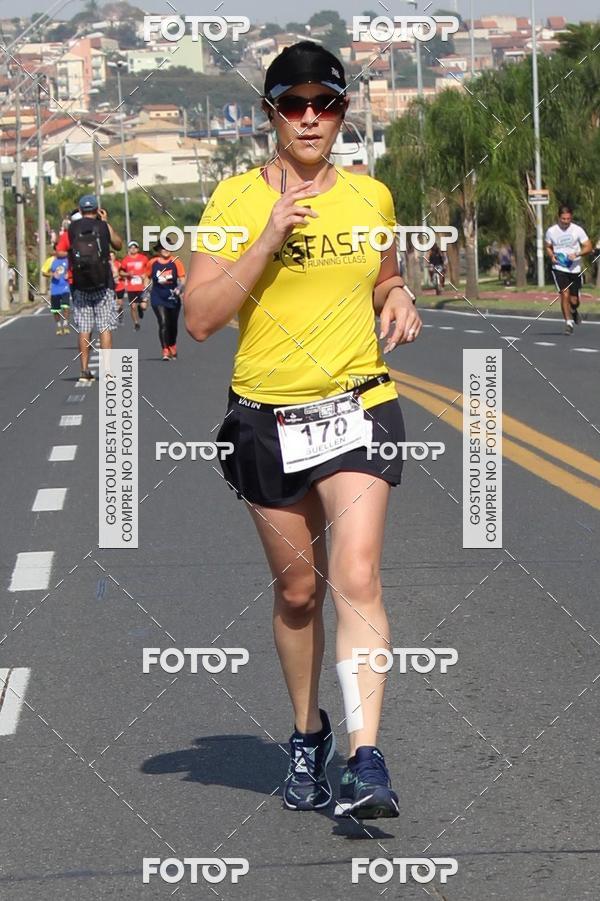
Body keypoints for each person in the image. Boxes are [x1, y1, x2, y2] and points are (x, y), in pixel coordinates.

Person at [184, 41, 422, 820]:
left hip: (357, 402)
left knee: (357, 576)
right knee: (297, 592)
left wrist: (397, 293)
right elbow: (201, 319)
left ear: (345, 113)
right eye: (294, 103)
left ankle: (366, 756)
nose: (311, 117)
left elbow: (384, 269)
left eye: (327, 104)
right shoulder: (231, 200)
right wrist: (268, 237)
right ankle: (305, 734)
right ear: (270, 114)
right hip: (266, 416)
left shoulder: (371, 198)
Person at [56, 195, 122, 381]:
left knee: (84, 328)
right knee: (105, 327)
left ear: (80, 209)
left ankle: (84, 370)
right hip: (103, 284)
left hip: (80, 284)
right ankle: (108, 370)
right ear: (97, 209)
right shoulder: (102, 227)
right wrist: (106, 222)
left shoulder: (72, 229)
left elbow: (60, 251)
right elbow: (118, 244)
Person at [545, 205, 592, 335]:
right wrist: (551, 256)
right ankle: (568, 323)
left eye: (568, 219)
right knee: (564, 294)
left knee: (574, 300)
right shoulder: (551, 231)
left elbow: (588, 246)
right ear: (559, 217)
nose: (566, 221)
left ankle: (573, 310)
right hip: (559, 268)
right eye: (563, 219)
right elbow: (548, 247)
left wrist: (577, 254)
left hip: (575, 268)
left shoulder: (577, 230)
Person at [146, 241, 185, 360]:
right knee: (163, 322)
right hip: (157, 296)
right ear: (158, 250)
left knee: (172, 324)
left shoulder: (176, 262)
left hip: (173, 297)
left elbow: (183, 278)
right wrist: (146, 291)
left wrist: (179, 288)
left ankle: (172, 344)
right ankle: (165, 350)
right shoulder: (152, 263)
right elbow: (146, 277)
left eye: (168, 247)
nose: (165, 250)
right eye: (163, 248)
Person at [120, 240, 149, 330]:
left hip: (142, 287)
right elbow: (121, 272)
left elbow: (149, 269)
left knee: (144, 306)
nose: (133, 249)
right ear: (129, 249)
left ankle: (141, 308)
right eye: (131, 247)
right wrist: (128, 274)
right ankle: (136, 323)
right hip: (131, 287)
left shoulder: (144, 258)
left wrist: (145, 276)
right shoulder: (125, 260)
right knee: (133, 306)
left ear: (138, 249)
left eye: (135, 247)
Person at [41, 245, 71, 334]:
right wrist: (51, 275)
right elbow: (43, 272)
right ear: (55, 251)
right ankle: (58, 326)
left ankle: (65, 325)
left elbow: (74, 270)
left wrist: (69, 275)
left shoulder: (68, 259)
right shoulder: (51, 260)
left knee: (66, 306)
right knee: (55, 309)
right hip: (55, 288)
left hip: (65, 286)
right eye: (59, 250)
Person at [110, 252, 126, 326]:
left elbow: (122, 273)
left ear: (115, 257)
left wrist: (119, 276)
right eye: (110, 256)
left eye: (112, 256)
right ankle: (113, 319)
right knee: (113, 303)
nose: (111, 257)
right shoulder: (106, 264)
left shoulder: (119, 264)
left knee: (119, 304)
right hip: (111, 287)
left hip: (120, 286)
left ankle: (120, 316)